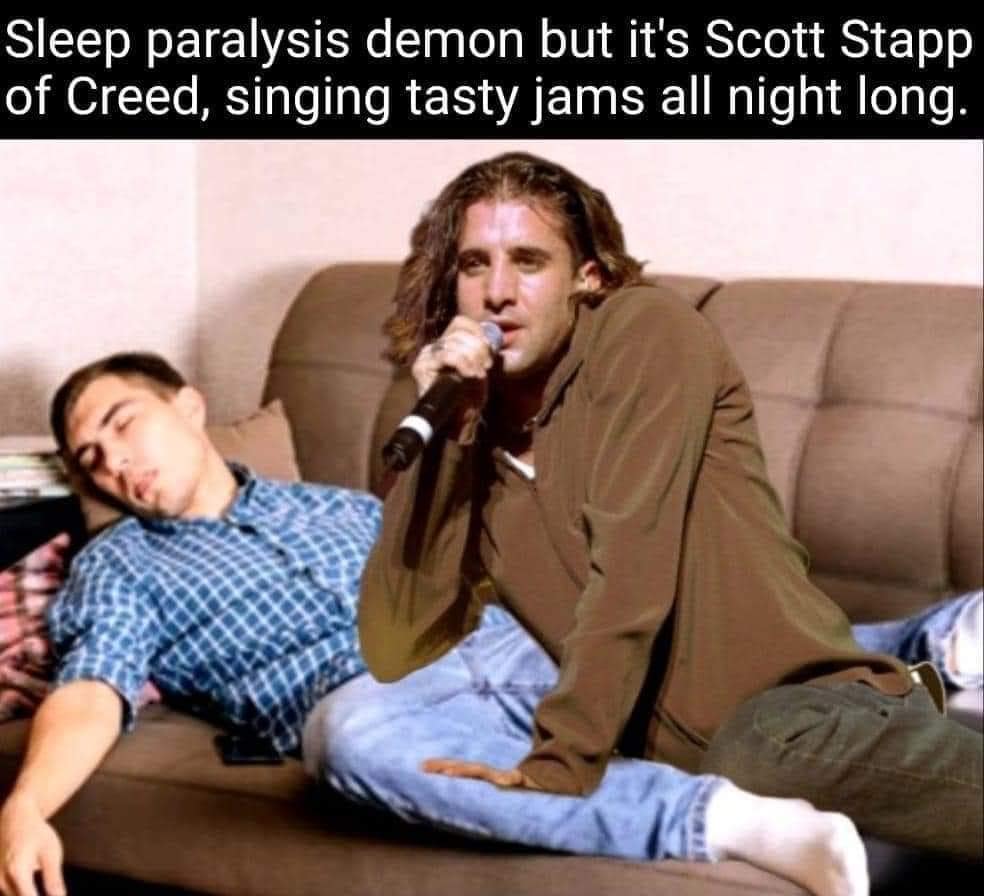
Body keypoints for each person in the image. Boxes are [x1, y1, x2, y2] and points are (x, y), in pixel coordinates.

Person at [0, 354, 978, 896]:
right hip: (383, 704)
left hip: (504, 637)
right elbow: (93, 687)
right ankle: (737, 823)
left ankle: (937, 645)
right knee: (347, 738)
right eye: (90, 458)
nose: (111, 461)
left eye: (121, 423)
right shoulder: (121, 562)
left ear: (187, 405)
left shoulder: (333, 503)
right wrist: (26, 804)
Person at [355, 151, 983, 880]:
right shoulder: (473, 436)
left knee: (753, 744)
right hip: (670, 757)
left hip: (798, 708)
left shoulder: (646, 333)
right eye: (474, 264)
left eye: (528, 261)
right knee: (359, 733)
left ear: (588, 278)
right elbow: (397, 645)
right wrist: (448, 440)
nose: (497, 292)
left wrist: (560, 766)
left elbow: (631, 571)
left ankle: (926, 674)